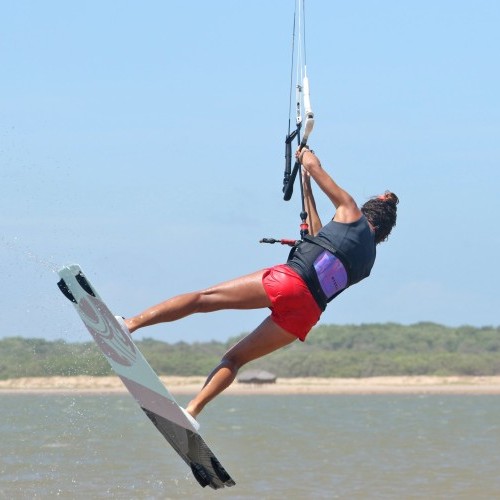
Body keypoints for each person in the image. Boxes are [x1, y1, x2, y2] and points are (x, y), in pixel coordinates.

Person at [121, 148, 398, 423]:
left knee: (203, 299)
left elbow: (314, 167)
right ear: (383, 232)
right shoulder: (368, 263)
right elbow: (318, 236)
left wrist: (305, 157)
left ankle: (130, 325)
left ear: (367, 210)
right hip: (306, 315)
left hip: (289, 282)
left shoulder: (350, 209)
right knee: (234, 360)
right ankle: (192, 412)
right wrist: (305, 186)